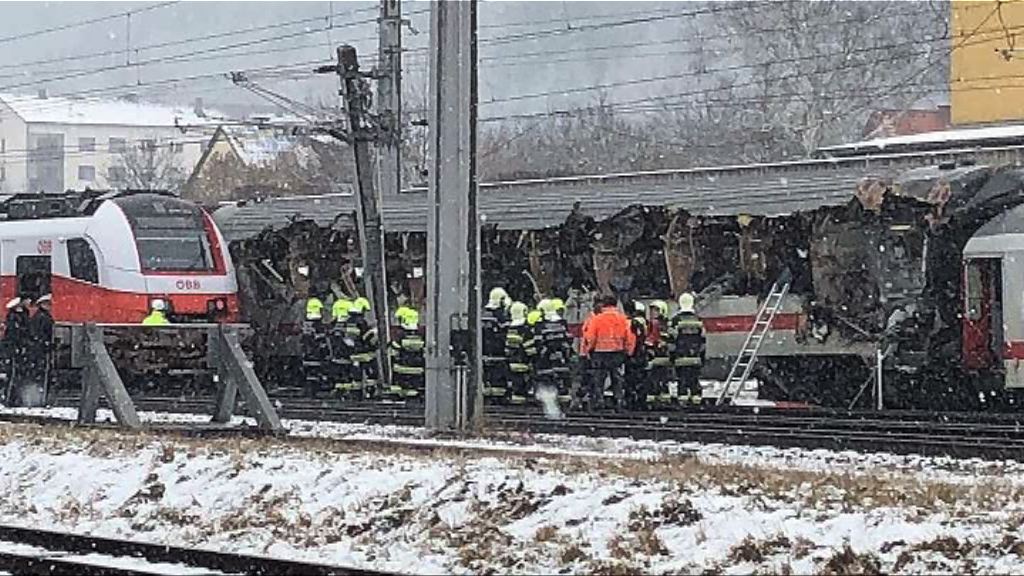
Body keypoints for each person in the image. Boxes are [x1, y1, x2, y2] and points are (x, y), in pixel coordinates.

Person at [580, 295, 636, 411]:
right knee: (617, 377)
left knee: (599, 378)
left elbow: (591, 337)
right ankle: (619, 400)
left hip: (600, 353)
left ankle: (599, 401)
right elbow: (629, 337)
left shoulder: (596, 319)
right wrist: (628, 352)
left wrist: (589, 350)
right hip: (617, 352)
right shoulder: (622, 319)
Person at [533, 298, 573, 403]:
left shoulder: (540, 325)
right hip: (561, 358)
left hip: (546, 359)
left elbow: (538, 342)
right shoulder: (562, 323)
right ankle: (563, 396)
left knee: (546, 379)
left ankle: (548, 398)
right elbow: (569, 339)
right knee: (562, 379)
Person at [670, 292, 706, 405]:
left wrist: (672, 356)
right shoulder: (698, 320)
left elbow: (672, 340)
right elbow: (703, 340)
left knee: (682, 382)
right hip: (695, 358)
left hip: (681, 358)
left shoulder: (676, 320)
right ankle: (696, 402)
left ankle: (683, 404)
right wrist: (702, 357)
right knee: (694, 381)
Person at [22, 294, 54, 406]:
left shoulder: (40, 316)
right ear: (42, 305)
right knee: (40, 373)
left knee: (37, 373)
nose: (50, 306)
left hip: (38, 349)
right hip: (39, 350)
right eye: (47, 304)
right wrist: (46, 344)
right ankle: (38, 399)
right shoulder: (42, 317)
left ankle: (36, 398)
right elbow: (40, 334)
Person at [481, 287, 511, 399]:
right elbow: (505, 333)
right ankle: (498, 398)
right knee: (497, 377)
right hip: (497, 352)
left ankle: (488, 396)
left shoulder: (483, 313)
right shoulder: (500, 315)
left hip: (484, 351)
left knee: (487, 375)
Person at [504, 301, 536, 403]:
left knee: (514, 382)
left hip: (510, 361)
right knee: (521, 383)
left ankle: (515, 398)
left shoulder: (508, 327)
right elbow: (529, 346)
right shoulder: (525, 328)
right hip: (522, 361)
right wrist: (534, 358)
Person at [389, 307, 425, 397]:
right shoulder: (421, 334)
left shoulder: (399, 334)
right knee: (414, 389)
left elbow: (394, 352)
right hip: (418, 369)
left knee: (400, 390)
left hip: (402, 369)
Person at [347, 297, 379, 394]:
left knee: (356, 375)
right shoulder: (361, 321)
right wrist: (373, 332)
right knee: (372, 372)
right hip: (364, 353)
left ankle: (356, 393)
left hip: (353, 353)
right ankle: (370, 391)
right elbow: (365, 337)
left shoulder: (349, 321)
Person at [646, 299, 674, 404]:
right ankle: (663, 396)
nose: (653, 313)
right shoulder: (667, 324)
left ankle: (654, 396)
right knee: (662, 377)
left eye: (656, 310)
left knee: (655, 377)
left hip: (657, 355)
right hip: (663, 356)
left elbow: (651, 339)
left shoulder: (653, 324)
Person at [2, 297, 29, 405]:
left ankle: (13, 398)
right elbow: (14, 335)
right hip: (14, 349)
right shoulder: (13, 318)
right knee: (13, 374)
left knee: (16, 375)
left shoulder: (20, 316)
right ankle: (10, 399)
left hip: (18, 349)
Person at [624, 301, 649, 410]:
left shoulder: (631, 323)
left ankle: (631, 401)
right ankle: (641, 400)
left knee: (630, 379)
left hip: (633, 355)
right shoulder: (646, 323)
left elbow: (630, 340)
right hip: (642, 355)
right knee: (641, 379)